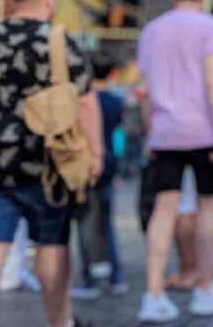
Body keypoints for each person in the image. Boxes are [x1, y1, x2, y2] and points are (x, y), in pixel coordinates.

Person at [0, 0, 103, 327]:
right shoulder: (57, 41)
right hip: (46, 162)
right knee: (51, 246)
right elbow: (86, 103)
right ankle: (60, 322)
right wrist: (96, 155)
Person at [137, 0, 213, 322]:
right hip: (202, 129)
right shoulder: (210, 27)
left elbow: (146, 88)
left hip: (165, 130)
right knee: (207, 208)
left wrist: (151, 129)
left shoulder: (152, 30)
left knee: (163, 210)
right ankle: (205, 288)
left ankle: (153, 294)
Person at [72, 52, 127, 300]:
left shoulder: (80, 99)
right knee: (107, 223)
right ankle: (116, 275)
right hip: (109, 164)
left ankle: (90, 278)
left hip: (84, 165)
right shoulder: (116, 101)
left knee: (84, 223)